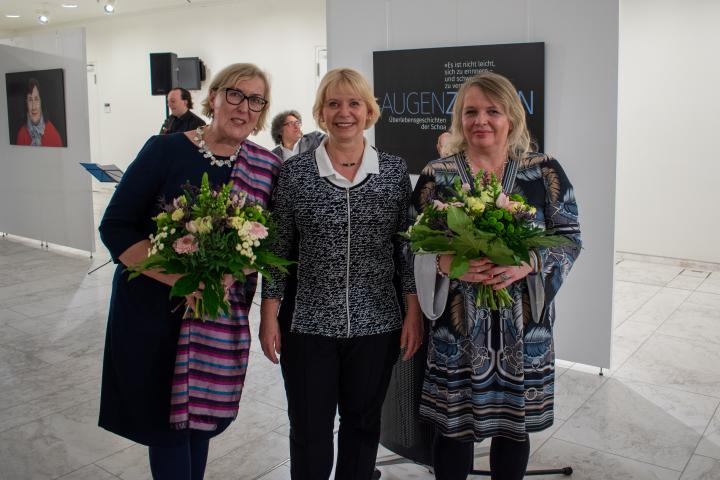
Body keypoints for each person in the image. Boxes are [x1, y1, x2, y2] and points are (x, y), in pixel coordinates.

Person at [98, 63, 280, 480]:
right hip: (153, 313)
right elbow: (116, 226)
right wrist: (184, 280)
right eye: (234, 94)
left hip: (217, 316)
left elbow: (269, 242)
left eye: (255, 100)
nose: (243, 107)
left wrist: (232, 271)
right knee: (166, 430)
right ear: (213, 97)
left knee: (199, 425)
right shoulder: (164, 150)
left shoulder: (266, 168)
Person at [412, 72, 581, 480]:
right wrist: (444, 264)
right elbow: (412, 242)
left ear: (512, 118)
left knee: (514, 427)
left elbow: (570, 237)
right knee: (453, 432)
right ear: (459, 119)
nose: (481, 121)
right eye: (471, 112)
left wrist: (529, 263)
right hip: (457, 330)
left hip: (524, 331)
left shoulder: (544, 172)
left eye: (493, 111)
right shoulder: (438, 174)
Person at [259, 68, 423, 480]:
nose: (344, 112)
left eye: (353, 104)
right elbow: (278, 251)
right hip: (307, 326)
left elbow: (405, 250)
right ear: (321, 112)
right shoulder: (295, 174)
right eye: (333, 103)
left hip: (376, 324)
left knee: (363, 425)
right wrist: (268, 315)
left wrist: (413, 312)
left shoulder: (392, 170)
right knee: (310, 430)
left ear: (369, 111)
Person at [16, 77, 63, 147]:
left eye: (36, 99)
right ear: (26, 103)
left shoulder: (54, 134)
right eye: (30, 100)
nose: (33, 106)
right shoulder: (21, 134)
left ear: (41, 102)